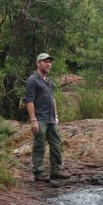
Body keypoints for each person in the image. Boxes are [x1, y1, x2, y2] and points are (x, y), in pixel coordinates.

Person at [25, 53, 71, 182]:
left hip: (51, 118)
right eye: (45, 61)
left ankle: (55, 171)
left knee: (56, 144)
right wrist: (33, 120)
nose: (48, 64)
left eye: (49, 62)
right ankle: (38, 174)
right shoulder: (32, 80)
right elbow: (29, 101)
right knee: (39, 145)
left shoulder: (49, 81)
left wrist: (56, 115)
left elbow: (53, 99)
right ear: (38, 63)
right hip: (40, 119)